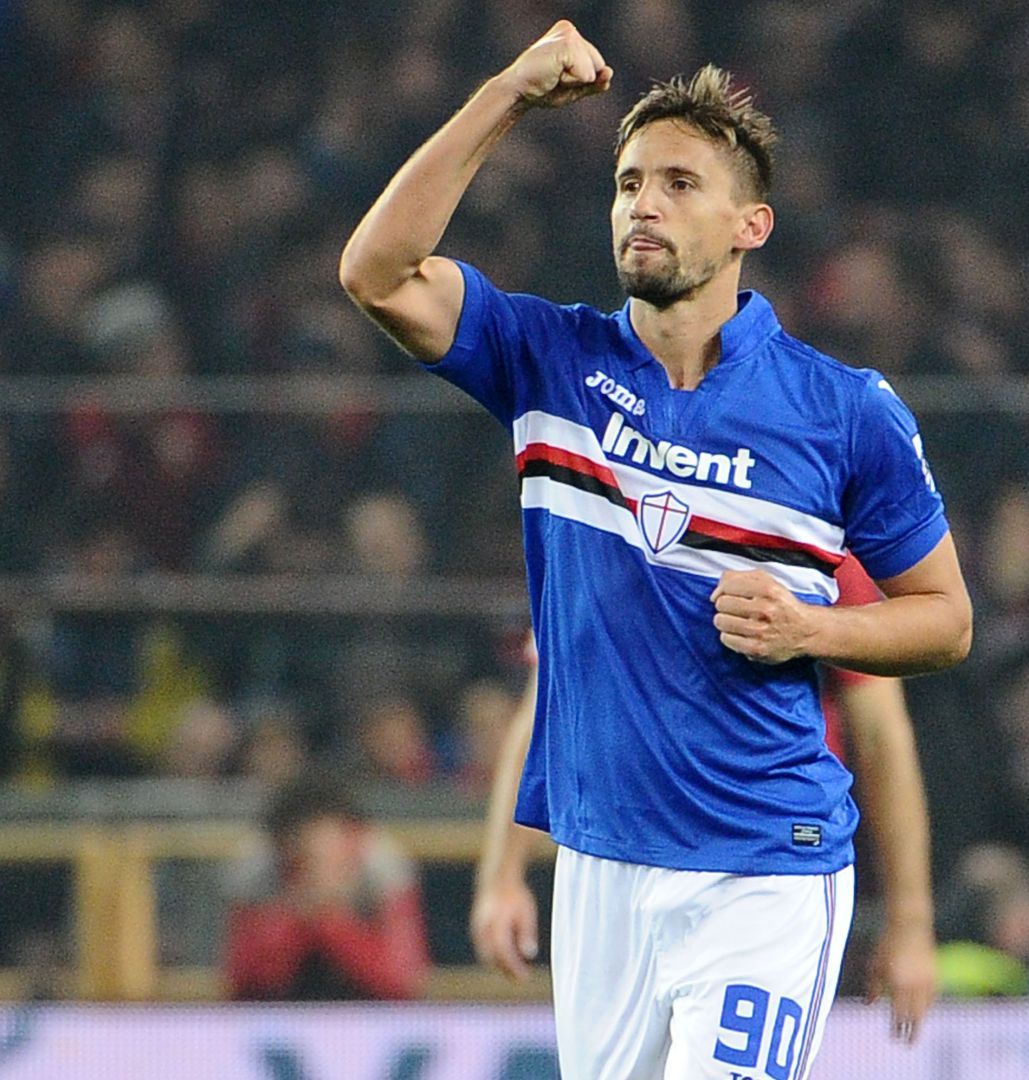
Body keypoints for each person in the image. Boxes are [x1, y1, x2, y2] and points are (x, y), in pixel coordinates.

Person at [339, 23, 971, 1078]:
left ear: (750, 225)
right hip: (600, 865)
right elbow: (375, 272)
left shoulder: (843, 412)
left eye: (680, 184)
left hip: (765, 867)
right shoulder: (549, 361)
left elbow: (947, 620)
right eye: (630, 182)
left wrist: (811, 629)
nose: (644, 203)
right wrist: (506, 93)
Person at [473, 591, 938, 1044]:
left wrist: (910, 922)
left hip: (761, 867)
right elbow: (550, 700)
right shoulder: (604, 545)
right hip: (619, 867)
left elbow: (881, 736)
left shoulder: (816, 548)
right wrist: (503, 875)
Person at [222, 776, 428, 1001]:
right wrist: (297, 917)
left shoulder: (382, 869)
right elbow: (243, 981)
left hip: (369, 1012)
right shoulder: (256, 871)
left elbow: (401, 982)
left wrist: (333, 921)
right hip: (278, 1011)